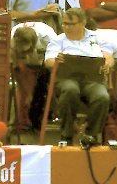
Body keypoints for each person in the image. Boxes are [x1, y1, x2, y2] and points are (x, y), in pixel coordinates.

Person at [44, 8, 113, 145]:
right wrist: (56, 61)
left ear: (82, 23)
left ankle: (91, 135)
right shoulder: (58, 40)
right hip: (66, 79)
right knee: (70, 90)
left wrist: (108, 64)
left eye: (71, 24)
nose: (67, 27)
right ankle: (66, 135)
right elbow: (48, 62)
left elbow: (109, 56)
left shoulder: (97, 38)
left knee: (102, 96)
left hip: (92, 80)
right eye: (64, 24)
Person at [10, 22, 57, 130]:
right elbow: (17, 70)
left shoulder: (49, 37)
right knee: (22, 92)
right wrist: (27, 92)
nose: (25, 53)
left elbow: (55, 65)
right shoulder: (12, 39)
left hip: (45, 61)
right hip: (26, 63)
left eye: (27, 51)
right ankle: (21, 121)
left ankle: (41, 118)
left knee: (43, 88)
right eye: (23, 52)